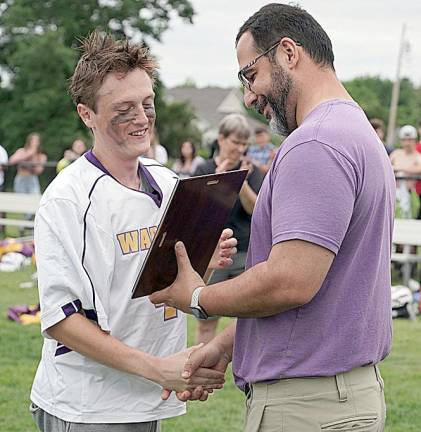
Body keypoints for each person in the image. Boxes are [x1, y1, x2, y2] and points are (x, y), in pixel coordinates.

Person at [150, 4, 395, 431]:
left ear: (287, 52)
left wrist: (197, 298)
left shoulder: (315, 142)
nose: (248, 97)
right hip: (335, 397)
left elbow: (290, 281)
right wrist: (229, 343)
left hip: (307, 404)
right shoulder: (354, 132)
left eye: (249, 75)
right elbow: (327, 288)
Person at [30, 31, 237, 432]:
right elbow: (62, 321)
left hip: (146, 401)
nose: (142, 119)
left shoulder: (168, 181)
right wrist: (160, 369)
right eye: (124, 108)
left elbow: (163, 295)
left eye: (147, 104)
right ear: (86, 114)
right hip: (88, 408)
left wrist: (202, 269)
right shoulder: (68, 199)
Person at [193, 113, 264, 344]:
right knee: (206, 321)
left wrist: (240, 181)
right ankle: (200, 375)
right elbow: (197, 212)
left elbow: (256, 210)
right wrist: (218, 181)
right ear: (221, 139)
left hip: (244, 251)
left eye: (245, 144)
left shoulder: (252, 172)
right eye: (236, 142)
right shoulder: (204, 169)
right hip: (213, 254)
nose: (240, 148)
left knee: (250, 322)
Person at [390, 125, 421, 219]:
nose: (407, 143)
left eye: (410, 140)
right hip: (394, 194)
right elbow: (386, 167)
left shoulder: (417, 156)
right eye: (404, 140)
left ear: (415, 140)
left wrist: (399, 168)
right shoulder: (396, 154)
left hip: (410, 195)